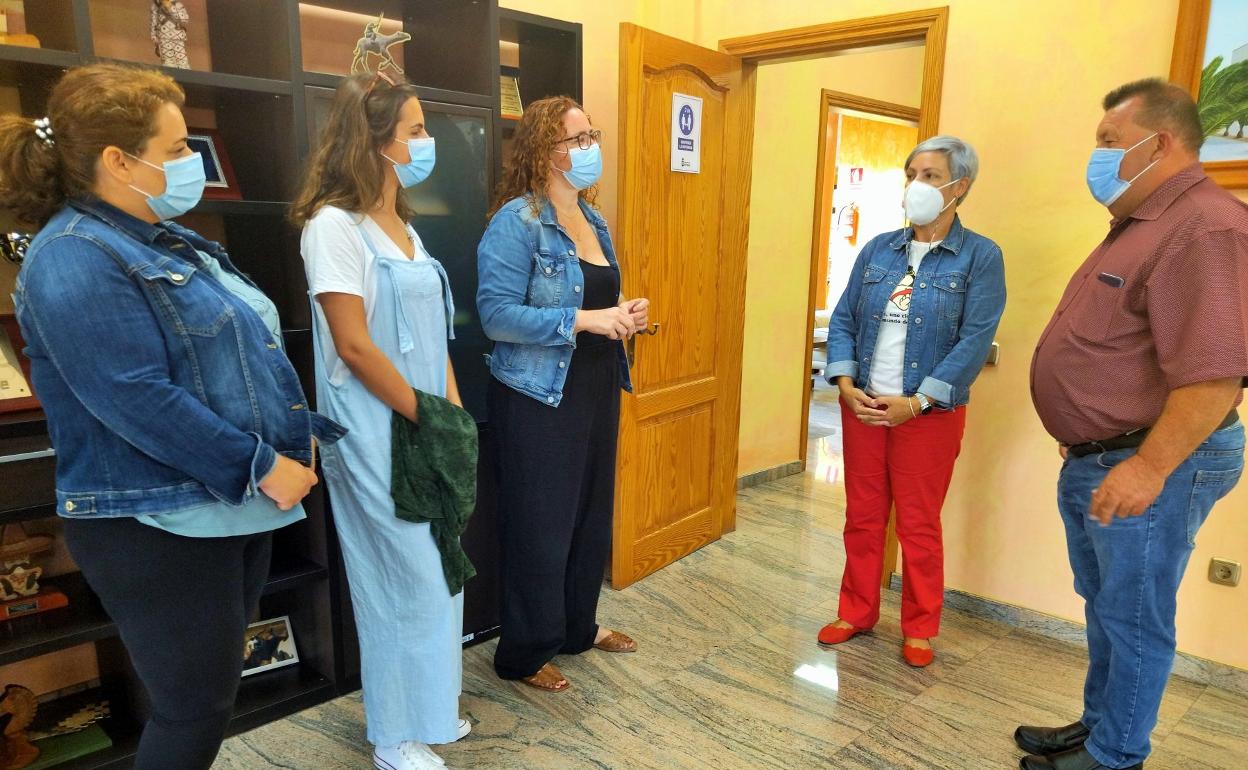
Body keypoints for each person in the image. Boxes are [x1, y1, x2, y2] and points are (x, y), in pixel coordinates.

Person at [0, 63, 341, 770]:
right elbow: (136, 397)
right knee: (193, 710)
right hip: (156, 522)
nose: (194, 163)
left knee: (209, 701)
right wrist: (259, 464)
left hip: (219, 506)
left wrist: (285, 450)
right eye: (179, 147)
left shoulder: (159, 239)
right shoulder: (71, 256)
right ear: (119, 160)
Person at [1020, 79, 1247, 770]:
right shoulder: (1141, 223)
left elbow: (1215, 376)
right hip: (1103, 455)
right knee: (1106, 604)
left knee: (1135, 616)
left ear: (1160, 143)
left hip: (1155, 460)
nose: (1097, 156)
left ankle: (1117, 755)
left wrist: (1147, 467)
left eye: (1109, 141)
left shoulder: (1206, 227)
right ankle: (1098, 726)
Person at [291, 72, 469, 770]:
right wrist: (427, 416)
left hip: (426, 425)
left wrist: (453, 417)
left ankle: (430, 709)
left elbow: (434, 333)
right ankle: (393, 736)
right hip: (373, 431)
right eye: (415, 130)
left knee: (441, 569)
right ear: (374, 142)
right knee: (401, 579)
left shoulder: (405, 226)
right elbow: (355, 346)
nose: (426, 142)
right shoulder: (333, 228)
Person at [477, 96, 648, 692]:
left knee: (589, 515)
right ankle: (524, 653)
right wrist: (583, 320)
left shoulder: (592, 218)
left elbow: (594, 296)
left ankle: (578, 627)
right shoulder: (516, 221)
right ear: (544, 151)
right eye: (577, 140)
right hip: (537, 394)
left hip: (596, 384)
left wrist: (623, 314)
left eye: (591, 136)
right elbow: (496, 316)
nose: (590, 148)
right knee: (541, 523)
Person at [818, 135, 1006, 667]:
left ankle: (919, 627)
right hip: (865, 406)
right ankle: (856, 612)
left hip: (928, 415)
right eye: (911, 174)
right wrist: (845, 383)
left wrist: (919, 402)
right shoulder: (879, 249)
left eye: (930, 176)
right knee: (863, 516)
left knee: (918, 524)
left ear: (959, 187)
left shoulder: (981, 256)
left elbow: (974, 341)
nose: (915, 185)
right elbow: (845, 319)